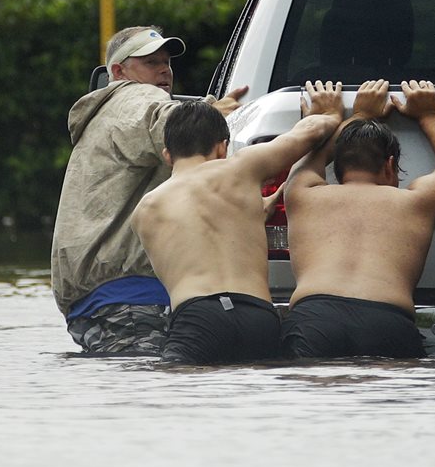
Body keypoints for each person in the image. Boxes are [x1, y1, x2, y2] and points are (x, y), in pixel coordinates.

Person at [51, 25, 247, 354]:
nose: (163, 70)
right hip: (132, 300)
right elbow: (162, 120)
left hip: (95, 304)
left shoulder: (105, 114)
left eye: (166, 63)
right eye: (150, 62)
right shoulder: (134, 95)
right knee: (157, 397)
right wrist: (210, 117)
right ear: (118, 71)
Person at [130, 81, 344, 363]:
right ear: (222, 147)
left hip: (198, 317)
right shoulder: (242, 167)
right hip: (257, 315)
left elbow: (200, 232)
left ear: (167, 155)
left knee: (179, 397)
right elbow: (311, 131)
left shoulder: (145, 210)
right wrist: (330, 114)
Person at [280, 79, 435, 359]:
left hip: (314, 318)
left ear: (337, 169)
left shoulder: (301, 192)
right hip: (386, 321)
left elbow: (311, 155)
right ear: (390, 165)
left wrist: (359, 115)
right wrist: (428, 115)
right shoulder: (416, 202)